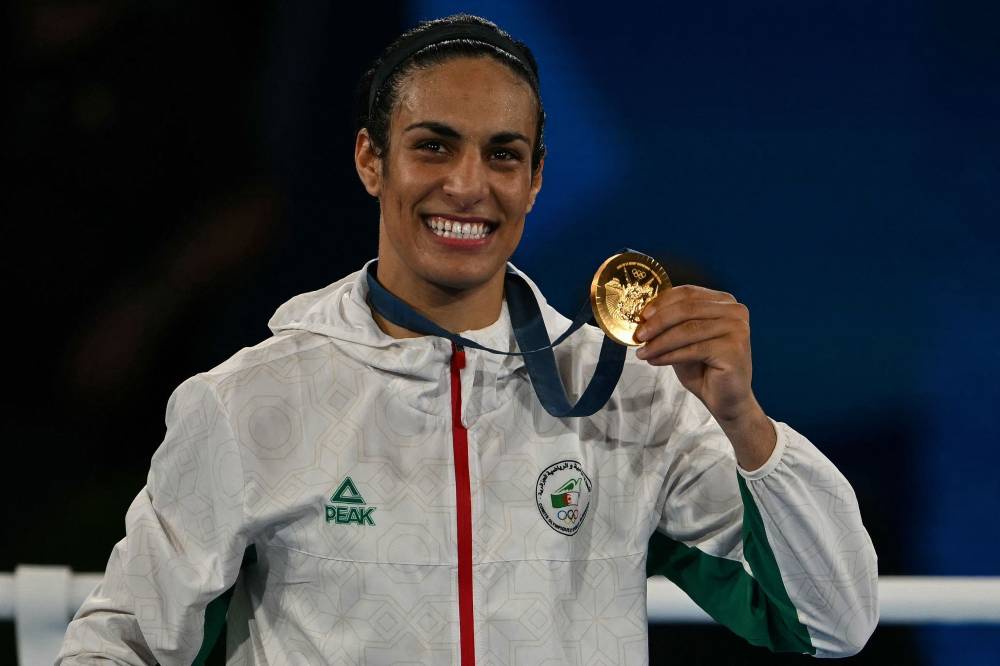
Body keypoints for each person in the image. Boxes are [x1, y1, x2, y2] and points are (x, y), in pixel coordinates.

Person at [58, 14, 878, 665]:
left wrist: (748, 425)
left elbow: (831, 618)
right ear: (371, 160)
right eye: (434, 144)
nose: (467, 184)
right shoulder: (247, 403)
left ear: (535, 179)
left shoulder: (628, 398)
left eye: (503, 154)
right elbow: (122, 646)